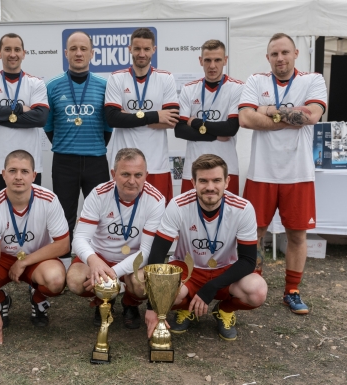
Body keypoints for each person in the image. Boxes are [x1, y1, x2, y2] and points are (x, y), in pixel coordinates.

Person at [238, 33, 327, 314]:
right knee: (254, 233)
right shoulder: (256, 81)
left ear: (296, 53)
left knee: (297, 235)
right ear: (268, 57)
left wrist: (267, 111)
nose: (280, 58)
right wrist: (291, 116)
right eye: (274, 54)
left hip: (298, 173)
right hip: (261, 172)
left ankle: (292, 291)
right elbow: (245, 118)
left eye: (285, 52)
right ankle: (254, 283)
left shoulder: (313, 80)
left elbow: (311, 116)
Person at [146, 154, 267, 341]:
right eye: (203, 181)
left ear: (227, 182)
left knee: (258, 291)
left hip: (225, 270)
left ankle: (224, 310)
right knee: (166, 292)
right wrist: (152, 306)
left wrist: (211, 287)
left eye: (216, 180)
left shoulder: (243, 208)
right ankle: (187, 308)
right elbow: (157, 254)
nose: (210, 187)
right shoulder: (178, 205)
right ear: (193, 182)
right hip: (188, 270)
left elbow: (248, 260)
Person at [0, 150, 69, 346]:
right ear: (4, 174)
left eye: (24, 171)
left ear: (34, 175)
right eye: (12, 171)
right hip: (2, 257)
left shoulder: (48, 200)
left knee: (56, 280)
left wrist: (24, 262)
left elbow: (63, 244)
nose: (18, 177)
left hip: (36, 257)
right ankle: (1, 300)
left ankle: (38, 297)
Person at [67, 148, 165, 329]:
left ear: (146, 175)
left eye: (138, 175)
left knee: (141, 284)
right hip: (100, 256)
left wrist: (112, 273)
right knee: (74, 280)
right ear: (113, 174)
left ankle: (131, 303)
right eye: (125, 174)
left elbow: (146, 251)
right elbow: (79, 237)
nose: (132, 181)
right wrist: (94, 261)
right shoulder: (98, 194)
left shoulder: (155, 200)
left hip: (133, 260)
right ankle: (104, 300)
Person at [44, 31, 113, 271]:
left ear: (92, 53)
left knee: (101, 214)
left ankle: (100, 260)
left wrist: (91, 145)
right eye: (73, 48)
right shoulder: (52, 86)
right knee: (64, 214)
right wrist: (68, 145)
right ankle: (63, 262)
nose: (78, 53)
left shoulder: (104, 86)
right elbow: (49, 126)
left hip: (96, 160)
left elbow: (107, 128)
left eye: (83, 48)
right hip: (64, 161)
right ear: (66, 53)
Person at [104, 27, 180, 204]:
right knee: (122, 212)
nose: (141, 54)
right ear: (130, 49)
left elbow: (172, 120)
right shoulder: (117, 78)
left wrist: (129, 117)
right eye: (137, 48)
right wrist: (156, 115)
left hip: (156, 164)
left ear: (154, 49)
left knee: (158, 215)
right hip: (124, 164)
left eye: (146, 49)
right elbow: (113, 118)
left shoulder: (165, 78)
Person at [0, 33, 49, 206]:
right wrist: (19, 109)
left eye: (17, 49)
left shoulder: (35, 83)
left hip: (28, 167)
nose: (12, 54)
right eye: (7, 49)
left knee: (29, 216)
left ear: (24, 53)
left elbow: (40, 118)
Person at [175, 39, 244, 195]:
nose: (212, 66)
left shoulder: (237, 88)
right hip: (193, 169)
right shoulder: (189, 89)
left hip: (226, 169)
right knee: (190, 211)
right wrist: (215, 135)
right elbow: (180, 130)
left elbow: (230, 129)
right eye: (207, 60)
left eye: (217, 60)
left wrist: (195, 122)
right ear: (201, 61)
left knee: (226, 211)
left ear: (225, 60)